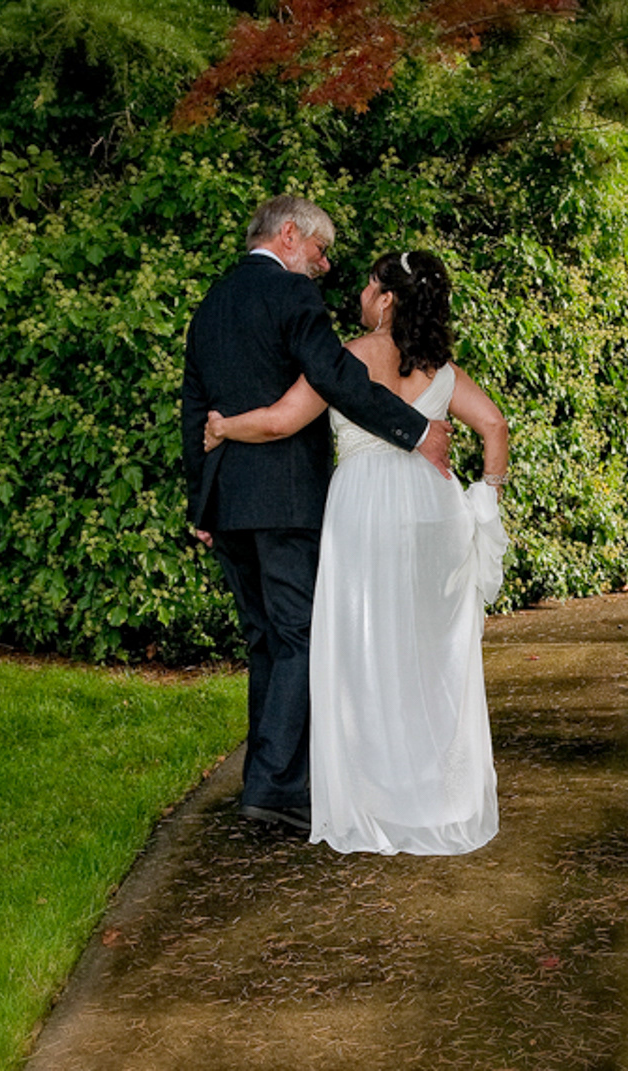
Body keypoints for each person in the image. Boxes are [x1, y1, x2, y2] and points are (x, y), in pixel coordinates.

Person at [204, 250, 510, 855]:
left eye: (372, 285)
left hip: (365, 514)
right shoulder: (442, 368)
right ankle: (434, 792)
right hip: (435, 515)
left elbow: (282, 421)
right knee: (428, 658)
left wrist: (222, 427)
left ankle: (371, 793)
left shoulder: (348, 355)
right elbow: (495, 427)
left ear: (388, 299)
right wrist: (486, 498)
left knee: (363, 652)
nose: (363, 293)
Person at [181, 197, 452, 834]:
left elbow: (194, 411)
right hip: (286, 500)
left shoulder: (211, 303)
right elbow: (334, 374)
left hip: (227, 502)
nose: (325, 265)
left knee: (265, 641)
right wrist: (414, 430)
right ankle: (275, 788)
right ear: (291, 234)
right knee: (300, 636)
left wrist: (202, 500)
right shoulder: (292, 297)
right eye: (321, 251)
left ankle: (266, 780)